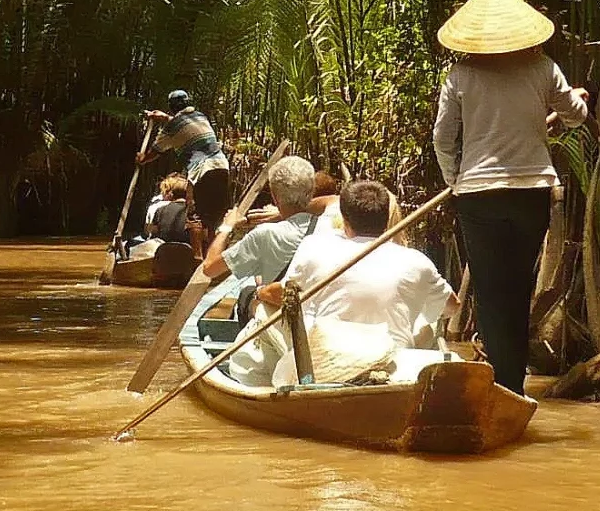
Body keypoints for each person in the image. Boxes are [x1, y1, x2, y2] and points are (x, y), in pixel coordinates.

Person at [431, 0, 588, 395]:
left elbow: (443, 140)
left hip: (479, 195)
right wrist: (577, 98)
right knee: (517, 286)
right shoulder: (543, 69)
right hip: (531, 191)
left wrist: (455, 180)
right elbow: (574, 116)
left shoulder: (461, 74)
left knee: (491, 288)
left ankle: (503, 384)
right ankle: (512, 383)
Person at [250, 180, 453, 385]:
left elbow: (286, 295)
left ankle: (264, 389)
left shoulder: (314, 246)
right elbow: (453, 307)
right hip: (393, 358)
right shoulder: (417, 260)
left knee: (263, 311)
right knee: (431, 320)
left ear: (344, 218)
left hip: (327, 361)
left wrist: (259, 293)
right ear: (387, 219)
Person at [201, 155, 319, 383]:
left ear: (275, 196)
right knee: (255, 286)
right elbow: (333, 200)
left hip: (284, 320)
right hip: (316, 318)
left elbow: (209, 268)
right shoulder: (329, 225)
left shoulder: (265, 234)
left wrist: (226, 227)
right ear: (311, 191)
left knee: (248, 294)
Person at [142, 90, 232, 246]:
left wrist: (141, 159)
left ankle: (197, 259)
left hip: (201, 170)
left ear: (171, 107)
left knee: (194, 214)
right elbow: (185, 125)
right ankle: (212, 255)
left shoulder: (171, 127)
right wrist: (164, 118)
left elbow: (155, 152)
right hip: (222, 166)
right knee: (215, 217)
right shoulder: (200, 116)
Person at [144, 175, 190, 241]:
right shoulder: (193, 211)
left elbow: (150, 232)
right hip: (185, 248)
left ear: (171, 194)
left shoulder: (161, 210)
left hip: (164, 248)